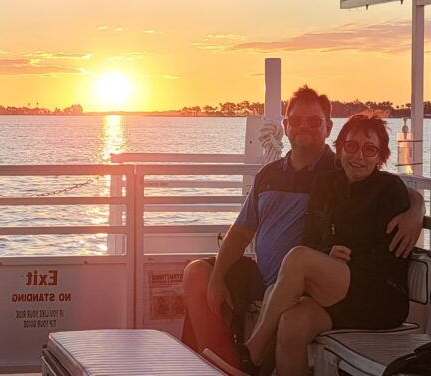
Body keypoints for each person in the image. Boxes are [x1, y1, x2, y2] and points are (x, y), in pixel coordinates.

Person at [181, 86, 424, 368]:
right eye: (296, 120)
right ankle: (220, 364)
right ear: (285, 126)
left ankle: (249, 357)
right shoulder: (277, 175)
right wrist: (218, 276)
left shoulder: (338, 167)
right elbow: (242, 230)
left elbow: (393, 187)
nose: (358, 154)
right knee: (197, 273)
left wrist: (417, 208)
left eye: (314, 121)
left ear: (328, 127)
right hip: (272, 276)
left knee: (295, 266)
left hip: (319, 281)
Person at [238, 114, 411, 376]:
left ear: (381, 156)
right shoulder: (327, 184)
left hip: (379, 295)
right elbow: (310, 238)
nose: (359, 156)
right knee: (292, 323)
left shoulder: (389, 189)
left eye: (370, 149)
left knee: (297, 257)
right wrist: (326, 254)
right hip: (340, 292)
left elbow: (389, 259)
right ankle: (258, 358)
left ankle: (253, 351)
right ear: (340, 148)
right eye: (351, 146)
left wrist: (344, 262)